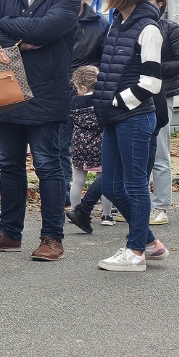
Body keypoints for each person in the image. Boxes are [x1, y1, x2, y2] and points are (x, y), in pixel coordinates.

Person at [0, 0, 81, 262]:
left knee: (47, 166)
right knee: (9, 165)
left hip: (46, 93)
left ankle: (52, 238)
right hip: (7, 89)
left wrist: (12, 28)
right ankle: (10, 233)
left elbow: (47, 29)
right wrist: (20, 37)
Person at [91, 0, 165, 272]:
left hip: (134, 118)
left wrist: (117, 101)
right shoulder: (116, 24)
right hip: (114, 117)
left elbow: (152, 83)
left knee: (134, 185)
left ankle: (136, 252)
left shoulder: (149, 29)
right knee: (110, 184)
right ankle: (148, 241)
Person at [145, 0, 179, 228]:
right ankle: (140, 204)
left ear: (160, 4)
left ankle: (161, 206)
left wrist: (152, 68)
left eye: (149, 0)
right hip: (137, 94)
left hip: (161, 94)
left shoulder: (170, 28)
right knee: (140, 152)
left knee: (159, 152)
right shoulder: (134, 26)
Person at [65, 65, 114, 233]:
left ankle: (75, 210)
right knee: (104, 180)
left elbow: (71, 123)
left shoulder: (74, 101)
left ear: (83, 87)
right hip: (100, 144)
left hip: (79, 144)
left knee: (78, 180)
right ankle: (107, 215)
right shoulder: (102, 100)